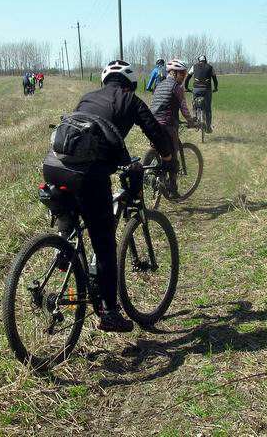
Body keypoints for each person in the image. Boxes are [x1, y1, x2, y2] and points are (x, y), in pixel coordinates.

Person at [43, 60, 173, 332]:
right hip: (88, 174)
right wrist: (168, 158)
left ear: (105, 81)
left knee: (72, 219)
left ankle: (65, 253)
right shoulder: (131, 100)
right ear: (130, 83)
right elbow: (156, 132)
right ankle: (110, 314)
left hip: (55, 167)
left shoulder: (87, 98)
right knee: (104, 246)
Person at [149, 59, 196, 199]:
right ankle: (172, 190)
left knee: (160, 150)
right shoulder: (177, 87)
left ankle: (155, 174)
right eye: (182, 73)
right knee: (173, 158)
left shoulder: (159, 86)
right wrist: (191, 122)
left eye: (185, 72)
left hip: (152, 124)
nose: (184, 75)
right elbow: (184, 108)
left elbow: (153, 105)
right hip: (167, 125)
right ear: (174, 73)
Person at [184, 55, 218, 133]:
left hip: (196, 89)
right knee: (208, 107)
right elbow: (215, 80)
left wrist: (186, 87)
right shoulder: (210, 67)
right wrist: (215, 88)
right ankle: (208, 126)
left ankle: (195, 115)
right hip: (207, 89)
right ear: (205, 61)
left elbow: (187, 78)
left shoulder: (194, 67)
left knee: (194, 102)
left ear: (199, 61)